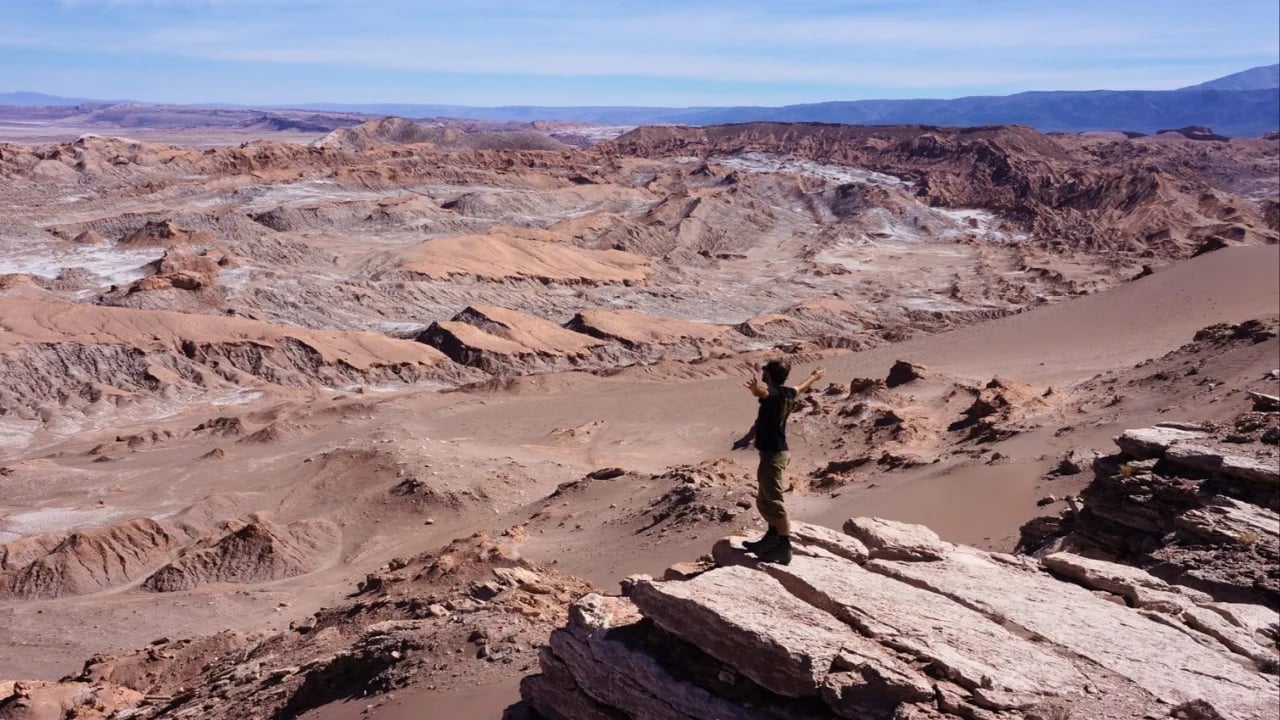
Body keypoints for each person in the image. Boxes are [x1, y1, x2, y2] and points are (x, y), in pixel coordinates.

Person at [740, 359, 824, 564]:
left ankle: (784, 547)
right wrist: (814, 376)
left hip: (774, 455)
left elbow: (764, 394)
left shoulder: (775, 394)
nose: (763, 372)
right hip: (773, 454)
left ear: (768, 375)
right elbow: (801, 387)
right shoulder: (787, 392)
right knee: (765, 498)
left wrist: (755, 391)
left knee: (775, 501)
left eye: (765, 370)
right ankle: (771, 537)